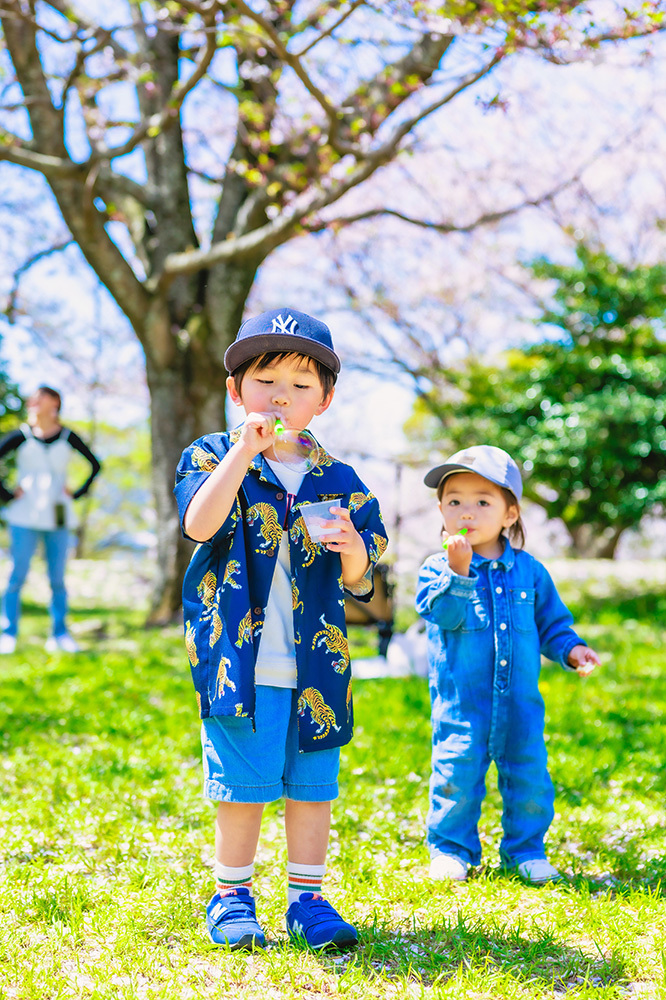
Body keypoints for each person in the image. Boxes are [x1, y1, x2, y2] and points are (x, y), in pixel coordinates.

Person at [173, 308, 388, 950]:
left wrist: (351, 544)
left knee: (312, 787)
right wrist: (244, 451)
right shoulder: (213, 455)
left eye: (300, 384)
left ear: (323, 399)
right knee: (242, 786)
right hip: (238, 658)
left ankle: (308, 901)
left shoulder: (341, 480)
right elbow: (199, 525)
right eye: (265, 380)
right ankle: (232, 895)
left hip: (318, 666)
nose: (281, 396)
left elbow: (360, 577)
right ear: (237, 391)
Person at [415, 445, 600, 884]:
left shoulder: (530, 572)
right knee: (456, 776)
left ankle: (526, 850)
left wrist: (572, 649)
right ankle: (451, 850)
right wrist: (458, 574)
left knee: (529, 776)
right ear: (440, 510)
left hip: (520, 703)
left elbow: (551, 622)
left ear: (510, 515)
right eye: (454, 500)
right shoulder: (436, 568)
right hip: (463, 703)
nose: (467, 511)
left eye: (483, 501)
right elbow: (440, 614)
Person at [0, 386, 102, 654]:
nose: (33, 401)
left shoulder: (67, 437)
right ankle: (8, 632)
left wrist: (77, 492)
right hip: (23, 515)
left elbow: (95, 464)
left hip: (58, 515)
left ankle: (60, 634)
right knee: (16, 576)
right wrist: (8, 495)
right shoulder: (21, 436)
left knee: (57, 578)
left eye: (40, 397)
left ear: (54, 403)